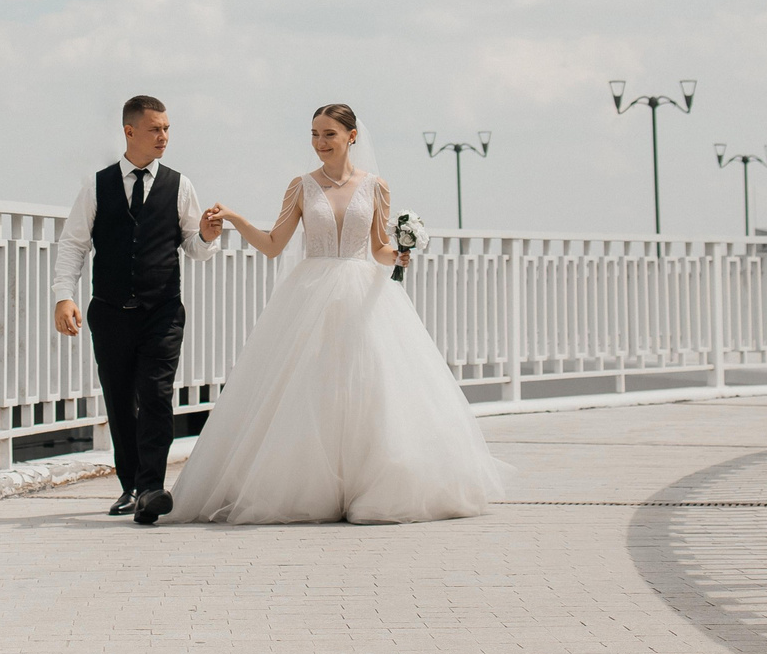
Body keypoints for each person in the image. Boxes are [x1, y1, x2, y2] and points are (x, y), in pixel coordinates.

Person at [176, 104, 500, 524]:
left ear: (351, 136)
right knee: (311, 387)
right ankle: (311, 487)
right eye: (314, 134)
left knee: (369, 385)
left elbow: (378, 247)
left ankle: (369, 485)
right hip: (310, 296)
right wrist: (236, 218)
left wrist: (399, 255)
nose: (320, 143)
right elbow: (274, 244)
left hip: (365, 296)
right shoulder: (301, 186)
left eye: (329, 134)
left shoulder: (376, 187)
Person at [52, 95, 225, 524]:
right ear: (129, 132)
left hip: (161, 311)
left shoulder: (180, 185)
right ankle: (130, 486)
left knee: (156, 395)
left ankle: (151, 488)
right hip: (110, 311)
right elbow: (74, 243)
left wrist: (206, 236)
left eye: (166, 129)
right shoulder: (96, 185)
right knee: (119, 400)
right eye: (155, 129)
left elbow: (194, 248)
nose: (164, 136)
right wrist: (63, 295)